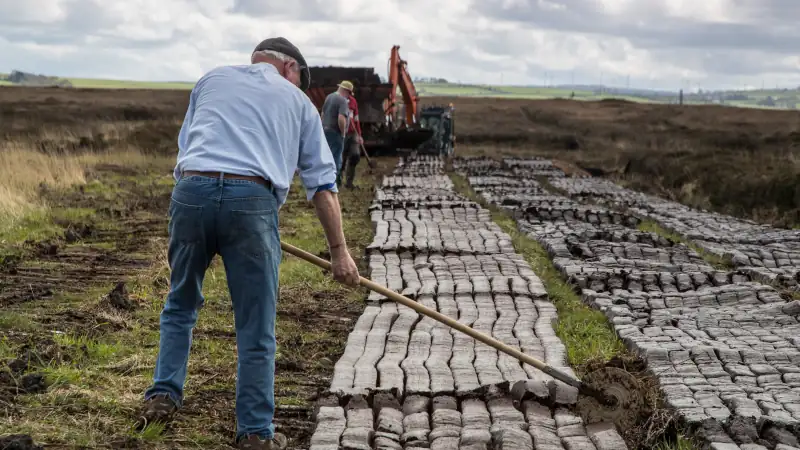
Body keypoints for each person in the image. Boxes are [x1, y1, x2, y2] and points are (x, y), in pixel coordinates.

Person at [135, 36, 360, 450]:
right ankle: (255, 433)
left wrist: (208, 205)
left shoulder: (211, 80)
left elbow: (187, 149)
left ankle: (163, 395)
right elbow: (322, 186)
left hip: (191, 193)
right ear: (290, 69)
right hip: (251, 202)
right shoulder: (298, 103)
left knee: (181, 301)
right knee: (256, 324)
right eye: (299, 79)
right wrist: (339, 253)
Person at [320, 80, 352, 182]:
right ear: (346, 91)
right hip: (335, 133)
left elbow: (323, 114)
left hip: (325, 131)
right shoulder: (342, 100)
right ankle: (334, 183)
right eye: (349, 93)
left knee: (325, 157)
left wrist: (321, 128)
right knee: (336, 159)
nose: (349, 96)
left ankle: (324, 181)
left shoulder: (329, 97)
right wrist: (342, 133)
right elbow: (341, 118)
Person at [341, 93, 364, 188]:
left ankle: (349, 183)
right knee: (341, 158)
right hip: (341, 133)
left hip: (353, 133)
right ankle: (337, 182)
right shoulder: (338, 100)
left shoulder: (353, 101)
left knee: (355, 155)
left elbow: (356, 119)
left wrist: (359, 135)